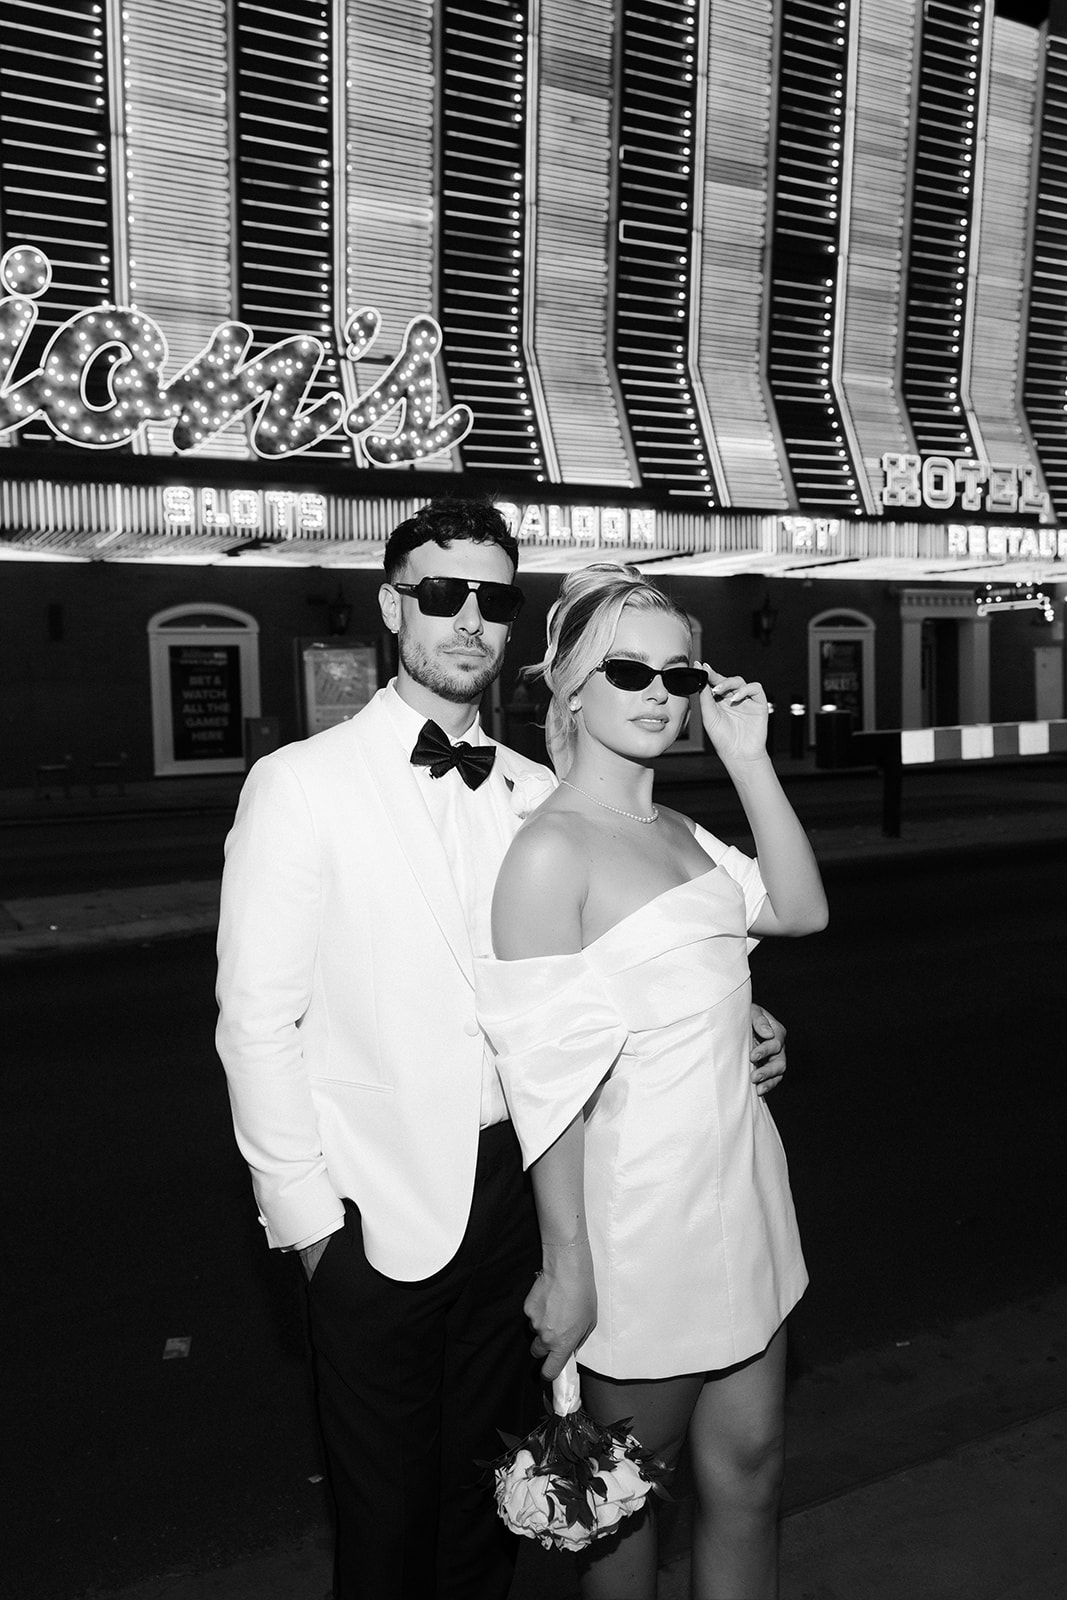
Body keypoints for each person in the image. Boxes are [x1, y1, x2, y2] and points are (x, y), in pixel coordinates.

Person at [215, 504, 791, 1600]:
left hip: (525, 1202)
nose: (468, 619)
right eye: (441, 594)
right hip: (376, 1215)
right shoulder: (301, 783)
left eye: (493, 599)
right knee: (384, 1531)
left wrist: (735, 1025)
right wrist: (310, 1234)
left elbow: (631, 973)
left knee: (494, 1517)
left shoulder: (540, 791)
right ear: (392, 607)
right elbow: (255, 1023)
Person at [476, 564, 828, 1600]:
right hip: (639, 1220)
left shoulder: (677, 833)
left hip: (741, 1190)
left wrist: (749, 759)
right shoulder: (547, 852)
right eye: (626, 668)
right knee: (618, 1514)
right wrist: (567, 1265)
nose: (657, 692)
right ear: (569, 686)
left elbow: (797, 910)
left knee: (750, 1475)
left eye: (678, 673)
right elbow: (544, 1083)